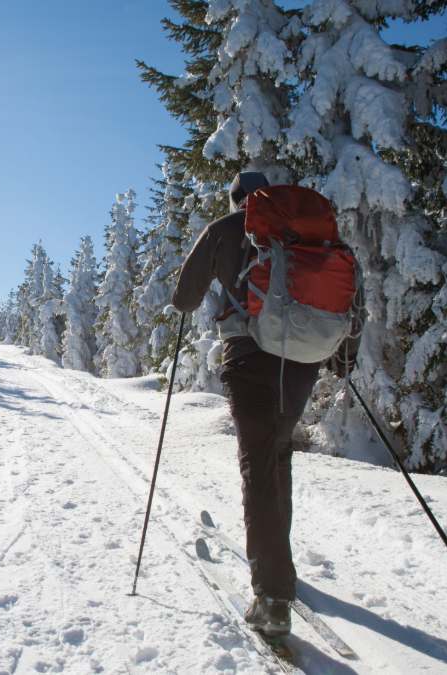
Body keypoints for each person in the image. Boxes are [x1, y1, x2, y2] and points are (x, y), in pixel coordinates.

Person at [170, 171, 360, 637]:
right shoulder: (304, 234)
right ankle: (280, 571)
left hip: (248, 356)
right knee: (278, 454)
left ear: (236, 201)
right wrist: (344, 355)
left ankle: (273, 597)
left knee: (257, 463)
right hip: (300, 361)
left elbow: (183, 298)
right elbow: (346, 295)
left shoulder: (224, 229)